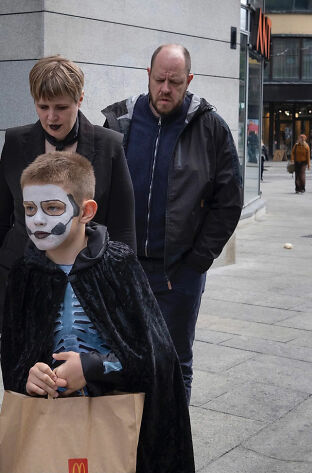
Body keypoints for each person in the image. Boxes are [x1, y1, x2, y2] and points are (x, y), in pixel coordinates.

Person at [1, 151, 195, 473]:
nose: (37, 219)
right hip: (48, 428)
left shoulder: (118, 266)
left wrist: (93, 367)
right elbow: (14, 358)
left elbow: (156, 358)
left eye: (52, 208)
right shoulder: (25, 275)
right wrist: (29, 377)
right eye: (29, 209)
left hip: (118, 427)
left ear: (86, 211)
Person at [101, 44, 243, 404]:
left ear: (189, 80)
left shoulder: (210, 127)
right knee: (119, 359)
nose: (165, 89)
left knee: (176, 362)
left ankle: (172, 450)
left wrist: (197, 262)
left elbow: (229, 202)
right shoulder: (121, 122)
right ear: (148, 75)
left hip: (179, 274)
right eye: (160, 79)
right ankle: (132, 444)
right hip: (123, 270)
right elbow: (97, 193)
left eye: (175, 82)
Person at [0, 55, 136, 344]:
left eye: (61, 107)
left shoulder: (109, 145)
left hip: (86, 287)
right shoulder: (14, 141)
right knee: (21, 378)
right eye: (42, 106)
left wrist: (125, 290)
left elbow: (124, 226)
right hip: (19, 282)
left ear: (80, 99)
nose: (51, 117)